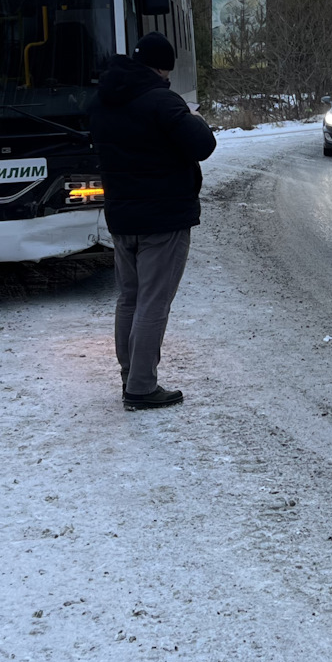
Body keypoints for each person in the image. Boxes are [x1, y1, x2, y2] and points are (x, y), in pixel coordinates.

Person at [88, 31, 216, 410]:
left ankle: (130, 375)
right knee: (154, 303)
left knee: (129, 298)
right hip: (164, 219)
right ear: (162, 67)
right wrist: (196, 119)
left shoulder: (102, 101)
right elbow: (203, 146)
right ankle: (142, 388)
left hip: (122, 217)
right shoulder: (164, 102)